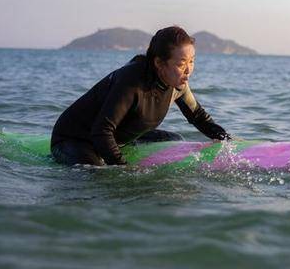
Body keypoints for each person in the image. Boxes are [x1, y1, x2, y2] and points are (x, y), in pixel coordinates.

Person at [51, 26, 232, 166]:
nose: (188, 70)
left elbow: (198, 116)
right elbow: (102, 131)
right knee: (97, 173)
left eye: (191, 61)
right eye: (181, 63)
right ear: (159, 63)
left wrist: (227, 140)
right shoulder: (132, 82)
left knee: (174, 140)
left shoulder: (178, 85)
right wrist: (123, 169)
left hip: (118, 138)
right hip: (75, 139)